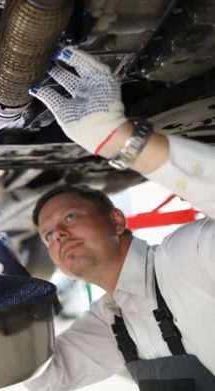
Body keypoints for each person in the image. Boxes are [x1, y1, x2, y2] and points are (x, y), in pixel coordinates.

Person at [17, 47, 215, 390]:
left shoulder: (186, 258)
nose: (58, 235)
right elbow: (41, 381)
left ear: (117, 221)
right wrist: (2, 295)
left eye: (69, 217)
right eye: (47, 235)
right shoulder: (111, 321)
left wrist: (121, 141)